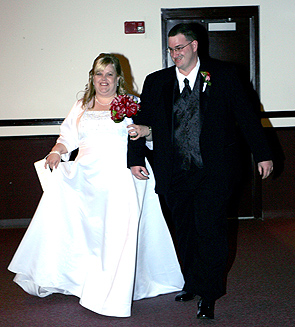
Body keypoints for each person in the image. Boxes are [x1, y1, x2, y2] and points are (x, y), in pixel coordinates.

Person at [8, 53, 184, 318]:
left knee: (118, 233)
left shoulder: (132, 102)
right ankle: (83, 280)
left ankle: (114, 291)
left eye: (109, 74)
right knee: (89, 234)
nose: (104, 80)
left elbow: (149, 135)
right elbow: (67, 137)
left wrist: (143, 132)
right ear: (92, 77)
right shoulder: (81, 105)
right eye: (99, 74)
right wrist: (57, 152)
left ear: (118, 78)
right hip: (87, 177)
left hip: (121, 176)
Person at [127, 23, 273, 320]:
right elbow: (140, 123)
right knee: (185, 231)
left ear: (194, 46)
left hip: (214, 171)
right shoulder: (157, 82)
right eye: (170, 49)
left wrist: (263, 153)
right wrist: (135, 158)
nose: (174, 55)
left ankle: (209, 293)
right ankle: (192, 282)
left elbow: (247, 116)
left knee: (210, 230)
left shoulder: (224, 75)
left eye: (179, 48)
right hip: (174, 171)